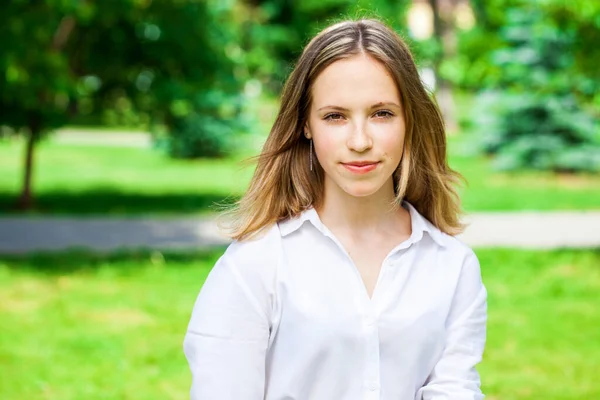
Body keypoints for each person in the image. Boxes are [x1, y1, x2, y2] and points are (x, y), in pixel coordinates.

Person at [184, 18, 487, 400]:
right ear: (306, 125)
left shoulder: (453, 266)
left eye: (382, 113)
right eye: (335, 116)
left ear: (410, 120)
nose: (360, 141)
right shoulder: (256, 264)